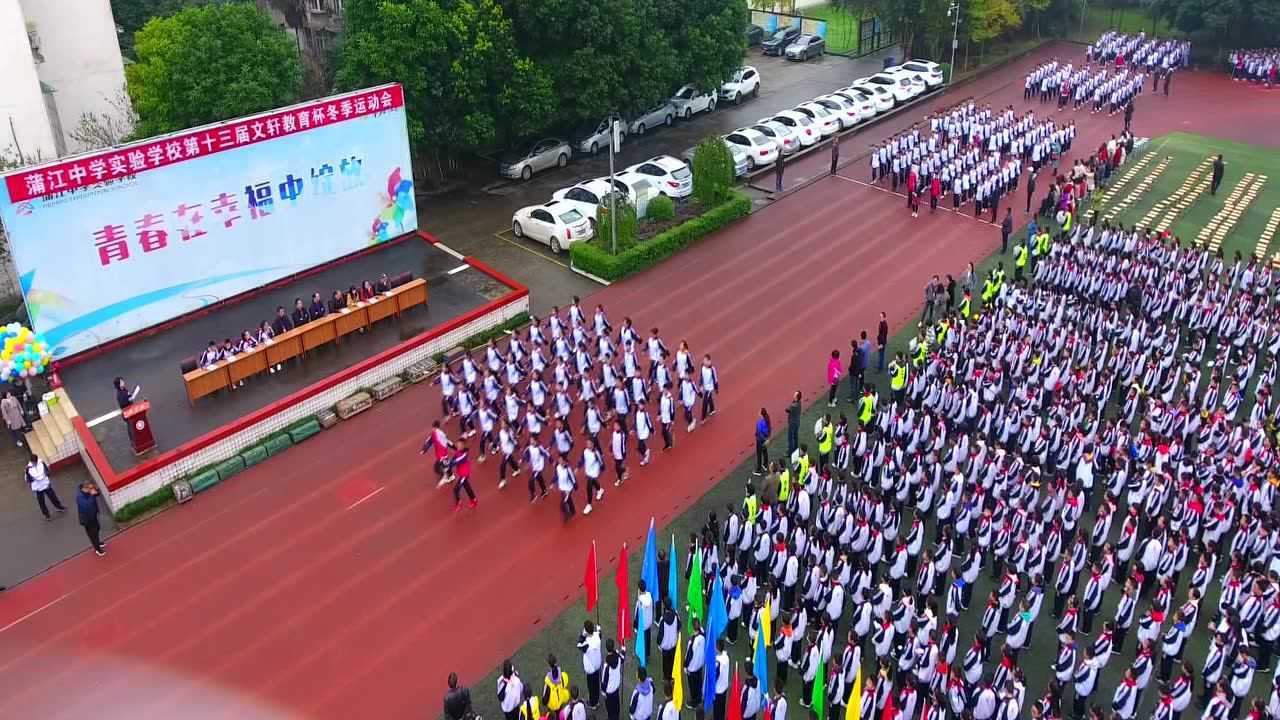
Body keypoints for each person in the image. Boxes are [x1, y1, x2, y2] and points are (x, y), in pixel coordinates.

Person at [26, 452, 66, 521]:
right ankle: (47, 515)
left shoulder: (41, 463)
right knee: (41, 502)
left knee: (53, 497)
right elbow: (28, 479)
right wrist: (33, 480)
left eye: (35, 462)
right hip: (38, 488)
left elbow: (47, 471)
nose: (35, 463)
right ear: (31, 462)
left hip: (46, 484)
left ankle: (59, 507)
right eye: (33, 462)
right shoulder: (28, 469)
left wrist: (46, 477)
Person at [77, 480, 106, 557]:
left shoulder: (88, 491)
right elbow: (86, 506)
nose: (91, 489)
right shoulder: (80, 497)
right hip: (87, 519)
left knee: (97, 528)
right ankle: (97, 549)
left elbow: (97, 494)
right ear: (85, 488)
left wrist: (96, 490)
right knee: (93, 534)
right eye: (90, 488)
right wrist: (92, 495)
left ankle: (98, 543)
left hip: (93, 515)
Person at [754, 408, 770, 476]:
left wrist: (757, 435)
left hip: (760, 440)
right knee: (765, 451)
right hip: (765, 439)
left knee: (759, 455)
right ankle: (765, 465)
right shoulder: (767, 420)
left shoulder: (759, 422)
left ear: (761, 414)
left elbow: (758, 432)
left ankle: (758, 470)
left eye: (759, 411)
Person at [786, 391, 802, 458]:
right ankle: (795, 449)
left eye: (795, 395)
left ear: (797, 397)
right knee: (795, 437)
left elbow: (787, 409)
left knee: (790, 438)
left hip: (792, 423)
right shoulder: (799, 403)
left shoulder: (794, 405)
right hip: (797, 422)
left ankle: (790, 452)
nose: (793, 395)